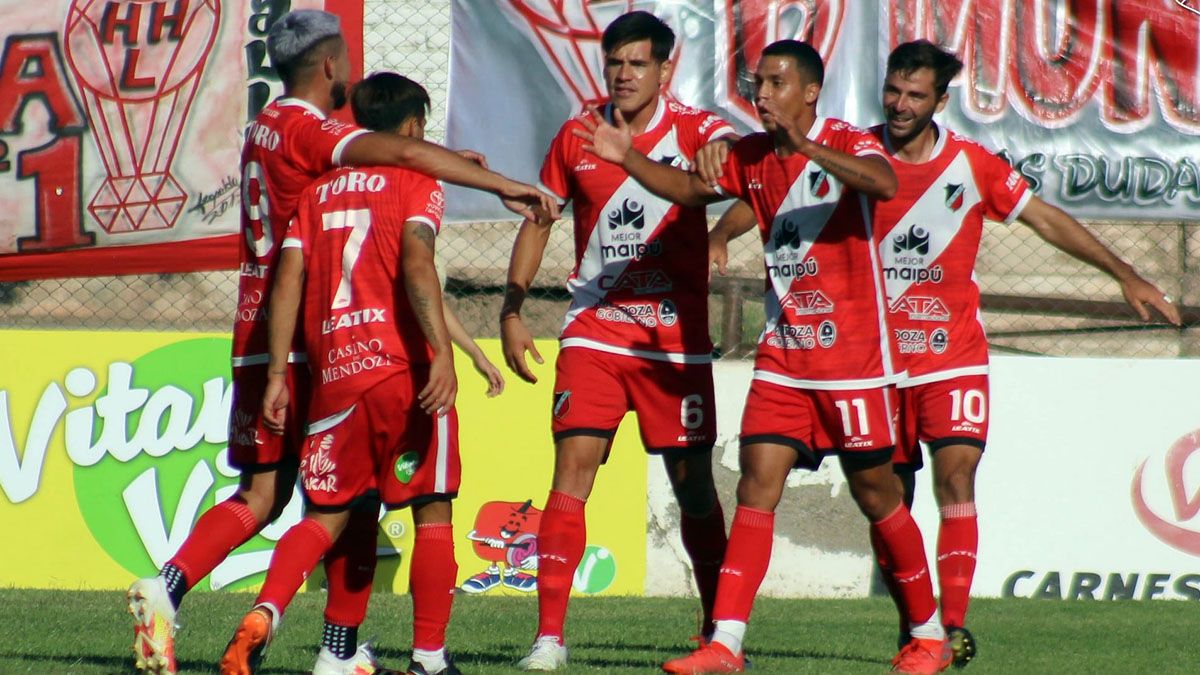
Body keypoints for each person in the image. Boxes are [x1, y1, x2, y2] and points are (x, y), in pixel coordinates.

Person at [126, 10, 552, 675]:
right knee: (342, 500)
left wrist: (441, 161)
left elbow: (382, 163)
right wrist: (497, 183)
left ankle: (182, 592)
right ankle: (369, 650)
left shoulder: (262, 131)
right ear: (329, 67)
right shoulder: (312, 133)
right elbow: (403, 172)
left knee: (274, 494)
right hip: (317, 342)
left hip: (259, 331)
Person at [578, 38, 959, 674]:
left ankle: (927, 635)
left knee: (876, 495)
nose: (764, 94)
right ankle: (725, 645)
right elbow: (689, 189)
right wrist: (629, 158)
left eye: (778, 83)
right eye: (759, 83)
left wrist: (806, 148)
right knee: (756, 484)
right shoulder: (750, 156)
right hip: (784, 359)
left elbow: (886, 182)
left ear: (810, 92)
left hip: (856, 363)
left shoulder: (846, 140)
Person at [865, 40, 1182, 667]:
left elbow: (1047, 220)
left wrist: (1125, 273)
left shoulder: (972, 165)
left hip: (951, 354)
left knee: (956, 478)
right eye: (894, 91)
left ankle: (950, 626)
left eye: (916, 95)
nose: (901, 105)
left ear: (939, 101)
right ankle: (919, 627)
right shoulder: (853, 155)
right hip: (872, 360)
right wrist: (720, 235)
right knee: (890, 499)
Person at [219, 71, 477, 675]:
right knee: (432, 508)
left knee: (327, 516)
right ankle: (431, 660)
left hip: (333, 378)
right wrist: (440, 351)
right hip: (399, 373)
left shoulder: (317, 193)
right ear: (414, 126)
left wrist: (280, 374)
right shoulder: (418, 181)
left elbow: (287, 281)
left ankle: (272, 615)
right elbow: (417, 263)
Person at [499, 11, 735, 671]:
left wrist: (720, 175)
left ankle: (719, 628)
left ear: (666, 69)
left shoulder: (696, 130)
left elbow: (734, 161)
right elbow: (542, 219)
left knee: (692, 487)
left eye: (638, 64)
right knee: (571, 472)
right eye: (615, 64)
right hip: (596, 330)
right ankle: (549, 638)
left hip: (673, 342)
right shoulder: (577, 133)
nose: (625, 76)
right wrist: (512, 311)